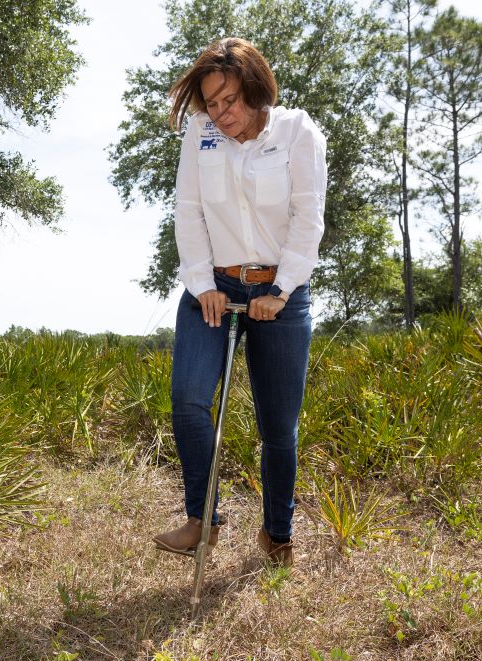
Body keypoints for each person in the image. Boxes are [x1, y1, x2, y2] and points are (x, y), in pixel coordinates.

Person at [151, 37, 327, 567]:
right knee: (188, 401)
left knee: (279, 428)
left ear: (255, 90)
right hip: (214, 289)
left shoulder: (298, 132)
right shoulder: (199, 135)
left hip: (280, 294)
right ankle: (203, 522)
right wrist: (202, 283)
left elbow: (307, 217)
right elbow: (189, 212)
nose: (220, 113)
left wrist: (282, 289)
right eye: (211, 103)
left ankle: (277, 533)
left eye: (229, 100)